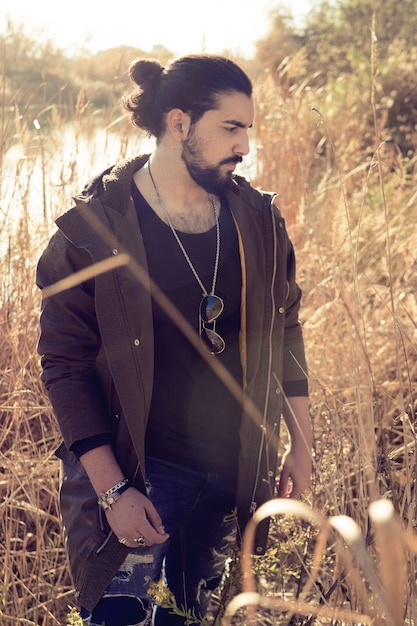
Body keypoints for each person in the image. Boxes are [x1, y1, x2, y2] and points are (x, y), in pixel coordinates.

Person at [36, 54, 312, 626]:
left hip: (231, 472)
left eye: (248, 130)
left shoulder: (257, 219)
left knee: (189, 618)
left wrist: (302, 445)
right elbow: (64, 366)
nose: (245, 145)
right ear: (180, 122)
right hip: (141, 476)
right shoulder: (93, 230)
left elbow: (285, 326)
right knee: (118, 619)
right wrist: (112, 492)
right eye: (230, 128)